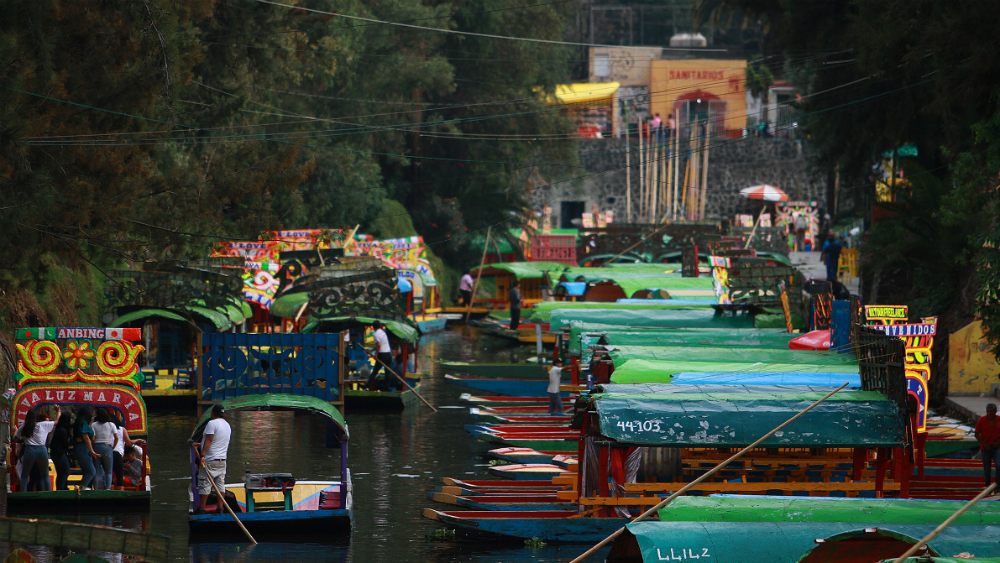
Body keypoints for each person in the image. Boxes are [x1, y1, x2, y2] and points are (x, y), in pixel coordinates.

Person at [192, 404, 231, 514]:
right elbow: (217, 442)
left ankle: (202, 509)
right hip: (222, 460)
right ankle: (221, 509)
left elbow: (209, 440)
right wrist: (200, 444)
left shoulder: (212, 423)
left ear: (213, 413)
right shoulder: (227, 425)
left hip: (210, 459)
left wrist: (202, 455)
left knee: (205, 484)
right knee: (220, 485)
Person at [14, 407, 56, 491]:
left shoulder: (23, 427)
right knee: (45, 475)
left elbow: (15, 440)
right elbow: (57, 422)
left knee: (25, 475)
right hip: (41, 450)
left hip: (29, 450)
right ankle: (49, 494)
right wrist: (58, 411)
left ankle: (23, 495)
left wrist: (15, 431)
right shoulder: (43, 425)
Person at [112, 411, 146, 486]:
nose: (127, 458)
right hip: (127, 477)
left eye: (128, 456)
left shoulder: (138, 462)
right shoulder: (128, 462)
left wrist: (130, 467)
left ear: (133, 454)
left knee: (119, 478)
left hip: (133, 480)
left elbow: (138, 474)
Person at [72, 407, 102, 490]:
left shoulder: (80, 423)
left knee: (86, 471)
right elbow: (86, 438)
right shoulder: (83, 423)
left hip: (81, 449)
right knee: (91, 471)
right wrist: (92, 451)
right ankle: (81, 488)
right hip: (82, 449)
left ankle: (83, 488)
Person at [92, 408, 118, 490]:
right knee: (109, 472)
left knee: (97, 470)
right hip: (107, 447)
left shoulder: (94, 425)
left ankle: (96, 489)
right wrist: (112, 447)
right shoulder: (111, 425)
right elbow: (116, 437)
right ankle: (108, 489)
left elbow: (93, 438)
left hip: (96, 447)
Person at [976, 403, 1000, 487]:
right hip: (985, 447)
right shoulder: (981, 420)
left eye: (991, 411)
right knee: (987, 469)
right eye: (988, 411)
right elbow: (976, 434)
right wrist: (984, 444)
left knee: (999, 465)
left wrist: (998, 443)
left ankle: (997, 486)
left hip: (997, 447)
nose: (989, 413)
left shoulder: (999, 420)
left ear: (995, 412)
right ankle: (987, 486)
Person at [50, 411, 74, 491]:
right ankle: (61, 489)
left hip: (56, 453)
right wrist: (75, 441)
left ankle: (61, 488)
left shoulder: (60, 429)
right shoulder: (62, 430)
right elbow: (65, 444)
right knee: (65, 471)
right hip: (59, 454)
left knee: (60, 473)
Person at [367, 321, 394, 391]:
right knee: (387, 372)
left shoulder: (376, 334)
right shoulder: (383, 332)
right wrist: (371, 350)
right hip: (388, 354)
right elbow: (379, 345)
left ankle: (367, 387)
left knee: (375, 371)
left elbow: (379, 345)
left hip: (382, 355)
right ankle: (387, 388)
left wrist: (376, 354)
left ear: (373, 327)